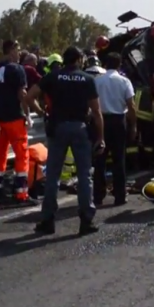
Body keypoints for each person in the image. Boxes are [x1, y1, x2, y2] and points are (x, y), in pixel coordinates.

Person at [28, 46, 103, 236]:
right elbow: (96, 111)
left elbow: (29, 96)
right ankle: (86, 220)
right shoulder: (87, 79)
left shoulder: (53, 76)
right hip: (79, 127)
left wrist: (42, 113)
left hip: (57, 127)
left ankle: (47, 221)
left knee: (52, 176)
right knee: (85, 175)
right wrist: (100, 136)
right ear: (79, 60)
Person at [0, 40, 31, 202]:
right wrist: (27, 114)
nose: (19, 53)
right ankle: (21, 191)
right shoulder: (16, 69)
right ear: (11, 50)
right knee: (22, 154)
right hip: (14, 118)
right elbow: (22, 94)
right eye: (18, 50)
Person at [93, 53, 137, 206]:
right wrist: (133, 125)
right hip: (119, 121)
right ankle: (120, 196)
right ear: (119, 65)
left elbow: (91, 104)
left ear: (105, 65)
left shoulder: (97, 81)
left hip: (101, 121)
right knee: (119, 160)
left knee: (100, 160)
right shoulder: (125, 81)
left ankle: (98, 196)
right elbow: (131, 106)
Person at [129, 81, 154, 172]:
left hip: (134, 116)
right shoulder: (150, 90)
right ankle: (148, 163)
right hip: (147, 118)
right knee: (148, 142)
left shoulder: (134, 88)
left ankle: (133, 164)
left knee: (132, 142)